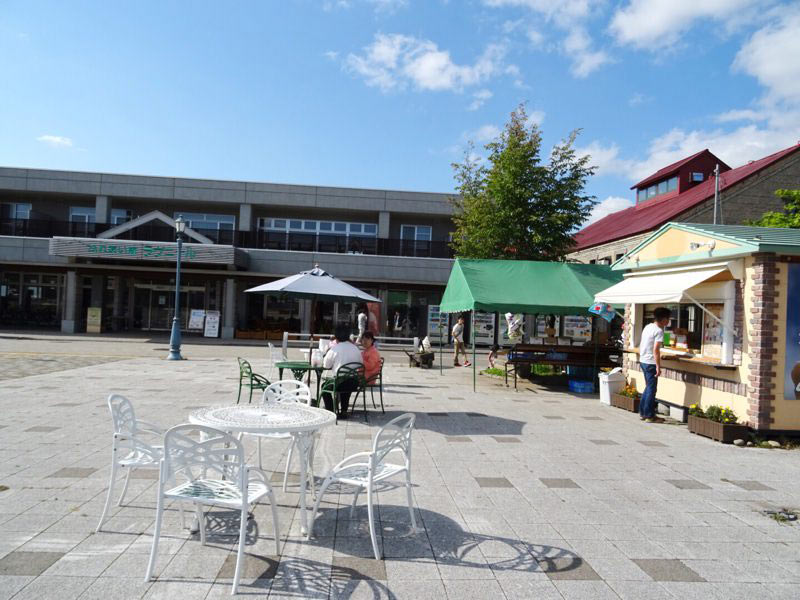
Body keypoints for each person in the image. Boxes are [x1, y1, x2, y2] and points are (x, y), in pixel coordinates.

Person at [320, 324, 363, 418]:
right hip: (354, 383)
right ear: (348, 336)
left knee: (325, 387)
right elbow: (361, 363)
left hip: (340, 383)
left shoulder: (335, 349)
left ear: (336, 337)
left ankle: (330, 412)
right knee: (345, 384)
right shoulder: (356, 348)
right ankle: (343, 410)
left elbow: (326, 365)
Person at [639, 307, 672, 423]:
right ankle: (649, 415)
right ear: (663, 319)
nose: (669, 321)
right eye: (668, 319)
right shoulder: (659, 331)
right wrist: (658, 366)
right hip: (650, 362)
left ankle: (643, 413)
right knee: (651, 389)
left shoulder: (648, 326)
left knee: (648, 387)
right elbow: (656, 350)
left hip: (643, 360)